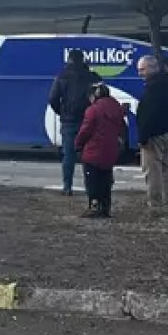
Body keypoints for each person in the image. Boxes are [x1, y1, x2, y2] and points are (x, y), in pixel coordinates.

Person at [48, 49, 99, 195]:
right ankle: (90, 187)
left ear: (69, 59)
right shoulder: (92, 77)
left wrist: (62, 112)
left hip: (69, 121)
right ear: (83, 59)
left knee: (68, 155)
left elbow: (53, 98)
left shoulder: (62, 76)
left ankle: (67, 187)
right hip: (89, 120)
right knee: (88, 155)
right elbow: (101, 96)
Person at [75, 83, 125, 218]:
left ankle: (94, 206)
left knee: (92, 181)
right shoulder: (117, 107)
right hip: (110, 151)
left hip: (93, 151)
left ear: (93, 96)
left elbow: (85, 131)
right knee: (105, 180)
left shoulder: (93, 110)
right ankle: (105, 207)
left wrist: (78, 145)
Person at [136, 55, 168, 207]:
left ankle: (154, 201)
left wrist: (143, 137)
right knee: (167, 165)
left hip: (155, 133)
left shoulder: (153, 88)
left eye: (142, 69)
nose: (140, 73)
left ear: (152, 68)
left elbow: (150, 115)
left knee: (152, 168)